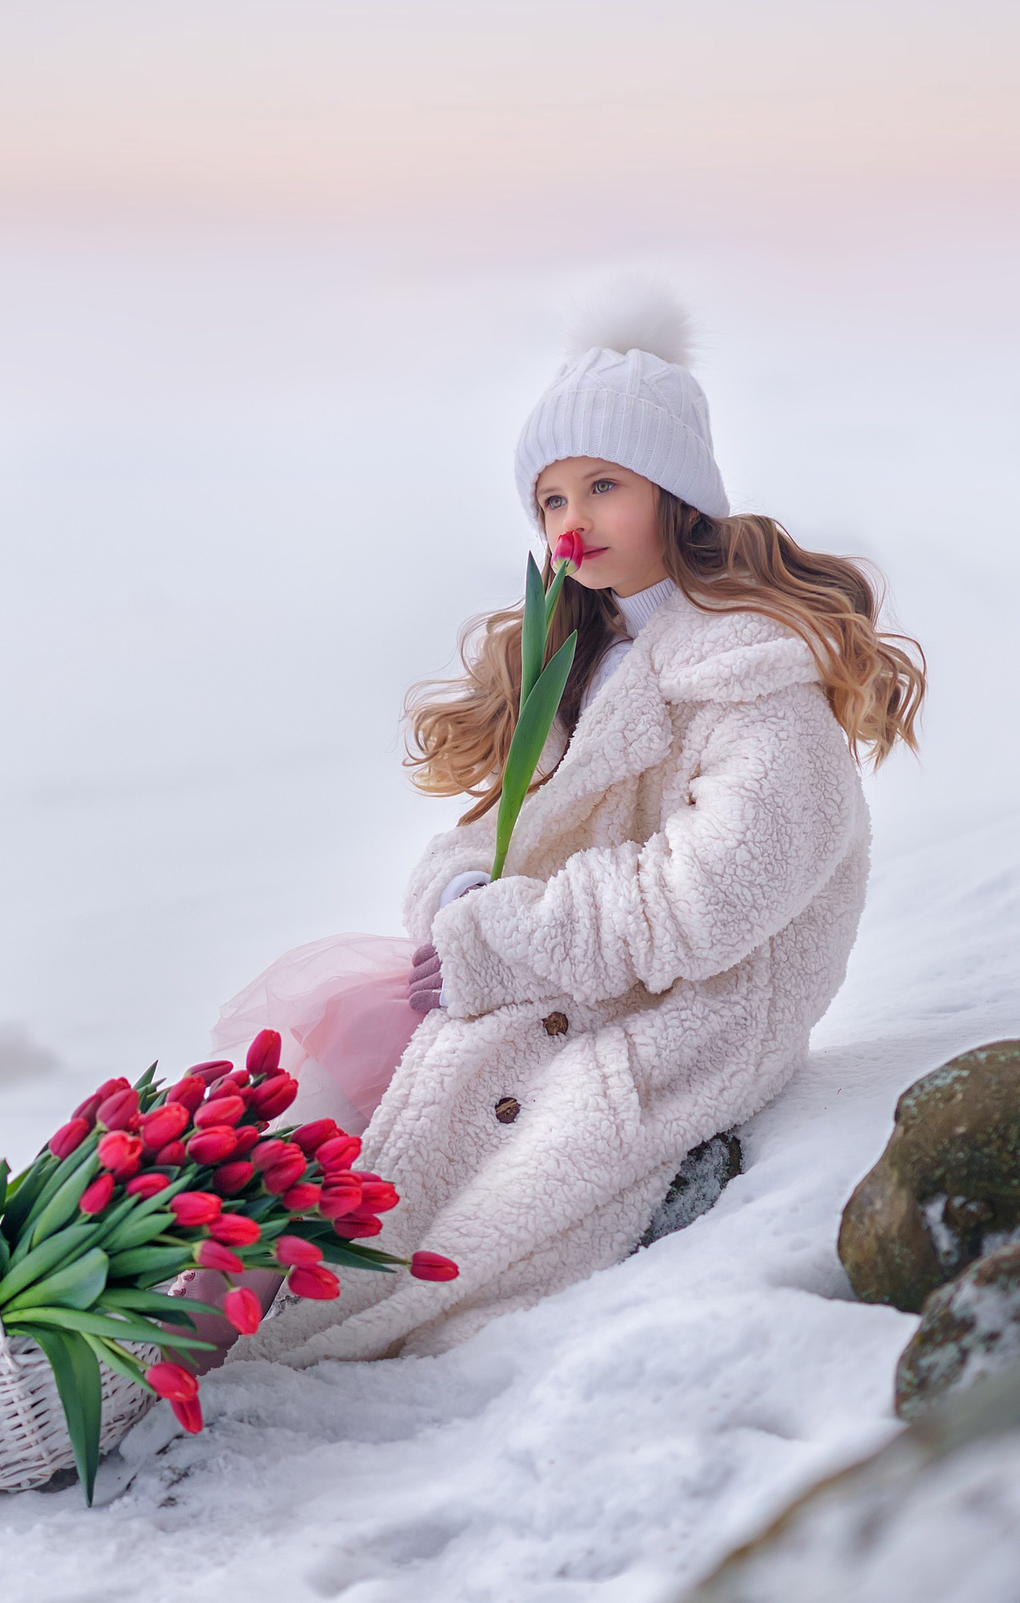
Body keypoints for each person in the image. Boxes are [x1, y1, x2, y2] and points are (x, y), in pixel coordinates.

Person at [249, 287, 924, 1364]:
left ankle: (296, 1325)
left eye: (604, 485)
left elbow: (708, 898)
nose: (573, 521)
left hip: (689, 1013)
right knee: (311, 1090)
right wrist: (460, 895)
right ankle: (196, 1286)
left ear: (676, 494)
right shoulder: (586, 662)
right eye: (552, 499)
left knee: (446, 1210)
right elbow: (496, 840)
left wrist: (501, 935)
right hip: (567, 975)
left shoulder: (757, 681)